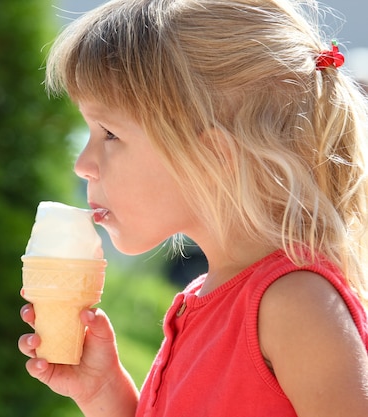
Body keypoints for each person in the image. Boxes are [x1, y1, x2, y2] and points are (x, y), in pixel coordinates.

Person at [18, 0, 368, 416]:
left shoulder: (294, 304)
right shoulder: (200, 299)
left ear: (212, 158)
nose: (83, 164)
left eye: (109, 133)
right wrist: (104, 393)